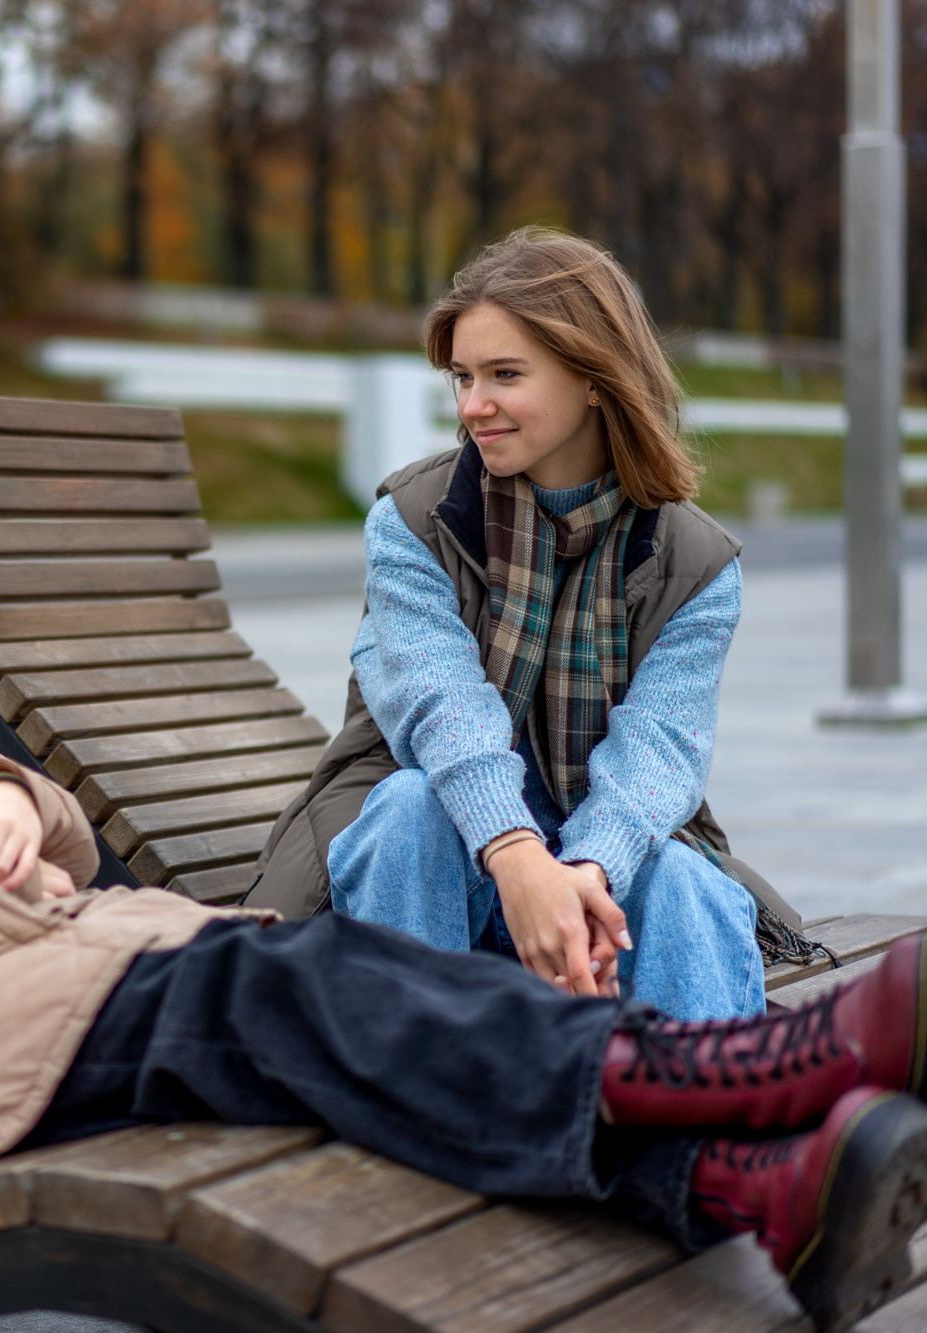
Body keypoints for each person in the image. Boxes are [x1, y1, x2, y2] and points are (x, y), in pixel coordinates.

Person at [0, 379, 927, 1333]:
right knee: (276, 995)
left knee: (308, 983)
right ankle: (742, 1074)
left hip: (6, 974)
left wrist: (5, 807)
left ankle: (744, 1185)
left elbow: (50, 822)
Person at [250, 227, 783, 1022]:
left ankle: (693, 1095)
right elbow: (438, 703)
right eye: (463, 377)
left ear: (595, 376)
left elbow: (660, 749)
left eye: (504, 374)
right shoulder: (414, 521)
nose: (472, 405)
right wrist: (514, 850)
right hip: (432, 877)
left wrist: (587, 874)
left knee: (681, 881)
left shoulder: (697, 564)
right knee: (409, 811)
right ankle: (420, 1080)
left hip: (592, 881)